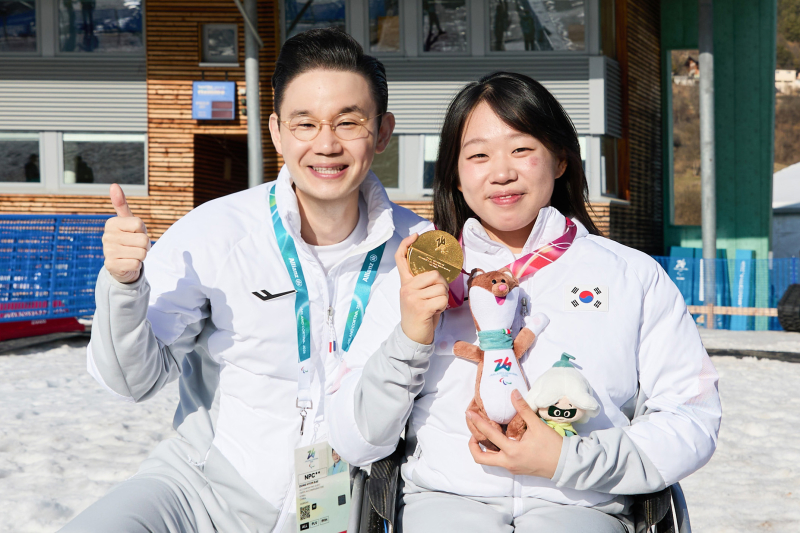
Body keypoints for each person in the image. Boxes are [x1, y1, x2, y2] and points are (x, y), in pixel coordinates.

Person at [59, 28, 427, 533]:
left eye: (349, 122)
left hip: (335, 506)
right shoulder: (215, 232)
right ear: (276, 132)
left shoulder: (419, 251)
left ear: (382, 132)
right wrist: (124, 286)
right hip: (197, 495)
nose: (326, 144)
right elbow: (131, 382)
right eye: (305, 123)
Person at [328, 72, 722, 532]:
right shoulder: (419, 277)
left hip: (584, 509)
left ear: (560, 160)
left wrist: (571, 458)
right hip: (442, 505)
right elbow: (355, 440)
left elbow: (692, 415)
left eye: (521, 149)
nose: (501, 173)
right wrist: (410, 337)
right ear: (455, 174)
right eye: (478, 155)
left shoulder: (632, 275)